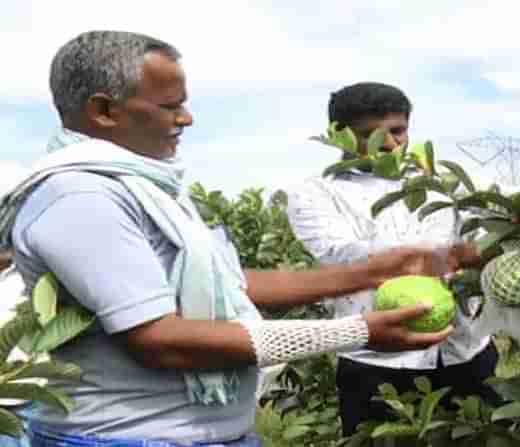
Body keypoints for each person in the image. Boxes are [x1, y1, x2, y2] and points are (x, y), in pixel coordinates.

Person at [0, 31, 470, 446]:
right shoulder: (79, 196)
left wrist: (373, 272)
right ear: (103, 110)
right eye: (170, 106)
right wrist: (358, 333)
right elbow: (160, 339)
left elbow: (231, 283)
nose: (186, 119)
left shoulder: (142, 188)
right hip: (129, 437)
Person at [286, 82, 503, 438]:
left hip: (465, 350)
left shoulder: (442, 182)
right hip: (377, 363)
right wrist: (445, 259)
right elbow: (344, 255)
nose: (389, 144)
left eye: (398, 131)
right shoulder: (316, 193)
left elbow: (488, 225)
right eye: (370, 134)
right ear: (337, 135)